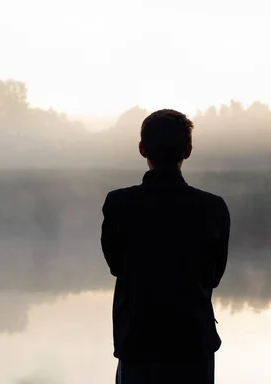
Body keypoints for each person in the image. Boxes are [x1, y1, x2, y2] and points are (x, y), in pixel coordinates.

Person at [101, 109, 230, 384]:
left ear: (142, 149)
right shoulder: (212, 208)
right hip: (193, 342)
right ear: (188, 150)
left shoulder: (119, 205)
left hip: (138, 342)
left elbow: (116, 266)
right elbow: (214, 276)